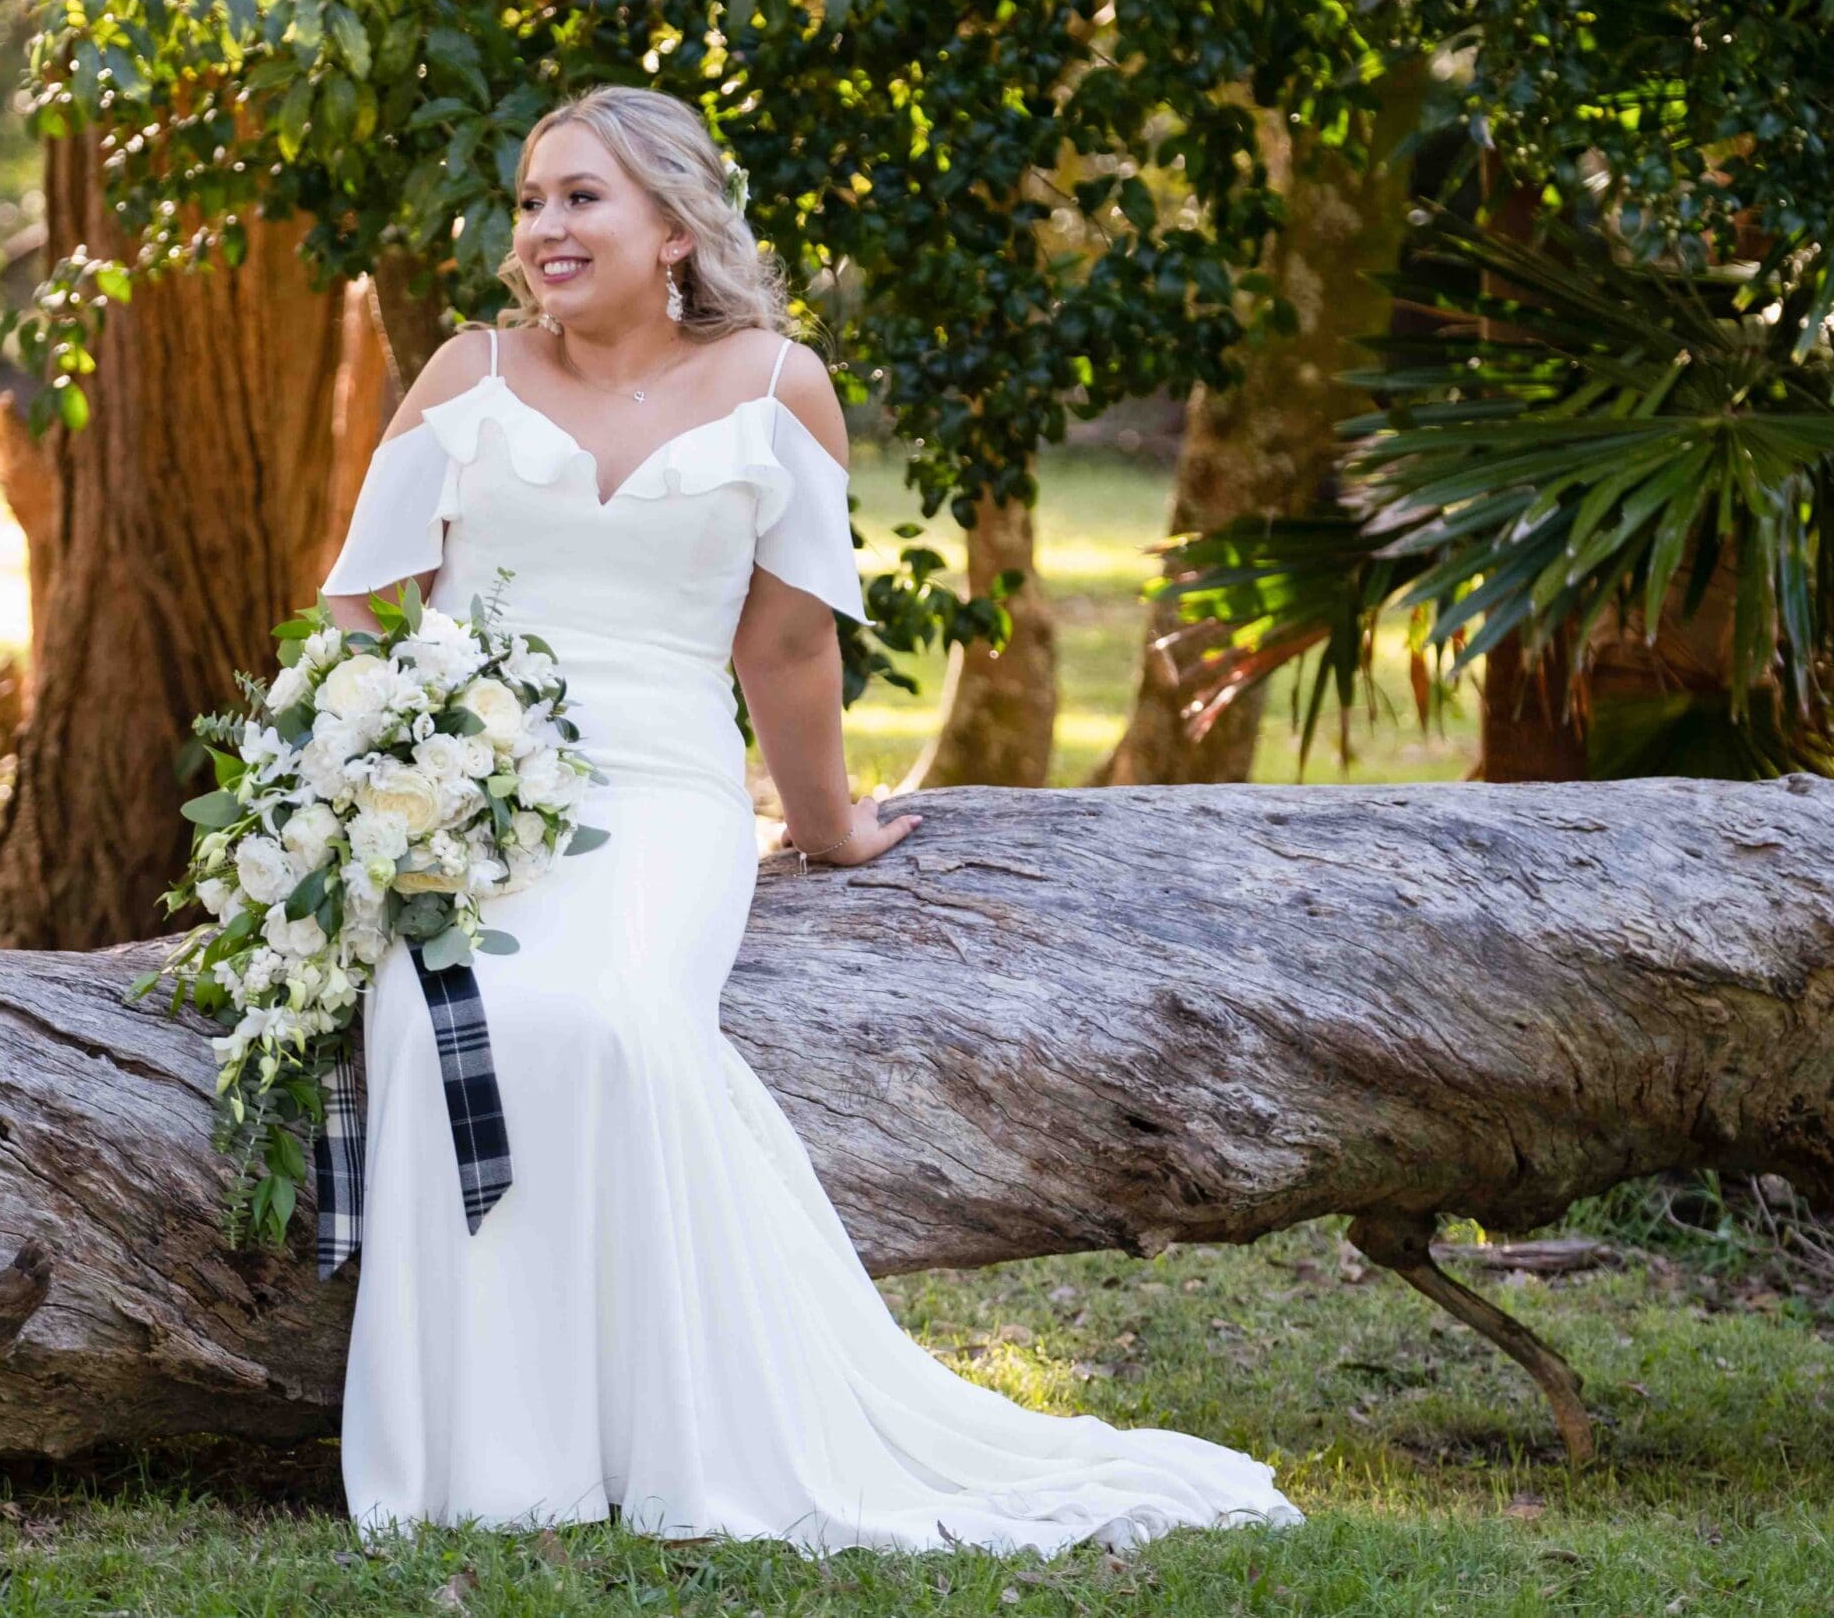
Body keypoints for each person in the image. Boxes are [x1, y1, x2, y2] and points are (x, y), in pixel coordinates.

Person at [314, 83, 1302, 1558]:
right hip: (465, 786)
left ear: (672, 225)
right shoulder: (466, 370)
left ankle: (676, 1428)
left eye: (581, 197)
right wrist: (406, 756)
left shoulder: (781, 387)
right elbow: (358, 595)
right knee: (440, 1012)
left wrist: (826, 827)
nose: (545, 228)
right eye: (531, 201)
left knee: (610, 1024)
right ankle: (491, 1456)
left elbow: (784, 648)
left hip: (659, 793)